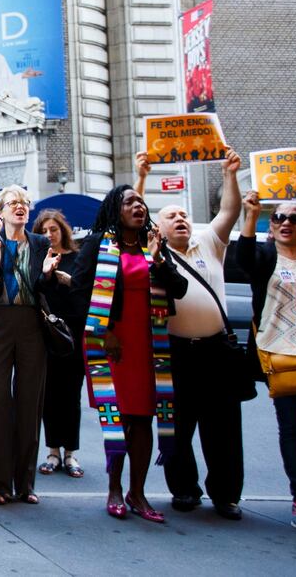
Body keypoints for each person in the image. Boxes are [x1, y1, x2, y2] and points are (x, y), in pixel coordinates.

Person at [72, 185, 187, 523]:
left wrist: (158, 259)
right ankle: (114, 490)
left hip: (150, 343)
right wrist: (103, 331)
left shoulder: (155, 246)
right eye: (129, 202)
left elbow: (178, 289)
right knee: (118, 419)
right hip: (112, 342)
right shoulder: (98, 245)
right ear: (115, 210)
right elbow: (79, 292)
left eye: (141, 201)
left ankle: (138, 492)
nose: (138, 206)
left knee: (143, 418)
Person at [146, 149, 245, 520]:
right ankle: (184, 489)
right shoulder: (156, 257)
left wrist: (230, 174)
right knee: (177, 424)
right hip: (176, 352)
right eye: (172, 216)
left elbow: (229, 212)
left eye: (184, 214)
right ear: (160, 228)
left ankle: (226, 495)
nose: (181, 219)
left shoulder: (210, 242)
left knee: (223, 428)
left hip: (216, 351)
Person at [237, 195, 296, 532]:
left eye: (295, 218)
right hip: (281, 355)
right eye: (278, 218)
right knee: (293, 430)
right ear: (272, 226)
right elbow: (243, 257)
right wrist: (252, 214)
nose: (286, 222)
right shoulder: (264, 257)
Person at [0, 186, 58, 506]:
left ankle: (25, 484)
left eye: (24, 203)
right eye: (13, 204)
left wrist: (48, 274)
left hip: (32, 325)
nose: (19, 208)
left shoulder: (41, 244)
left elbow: (47, 288)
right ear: (1, 212)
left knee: (28, 404)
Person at [31, 209, 86, 479]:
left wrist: (69, 280)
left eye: (53, 229)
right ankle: (52, 451)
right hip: (47, 333)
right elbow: (35, 291)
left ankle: (70, 453)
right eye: (43, 231)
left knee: (71, 396)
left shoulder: (78, 258)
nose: (49, 235)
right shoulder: (39, 259)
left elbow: (88, 292)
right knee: (49, 397)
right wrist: (48, 275)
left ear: (63, 230)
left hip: (74, 334)